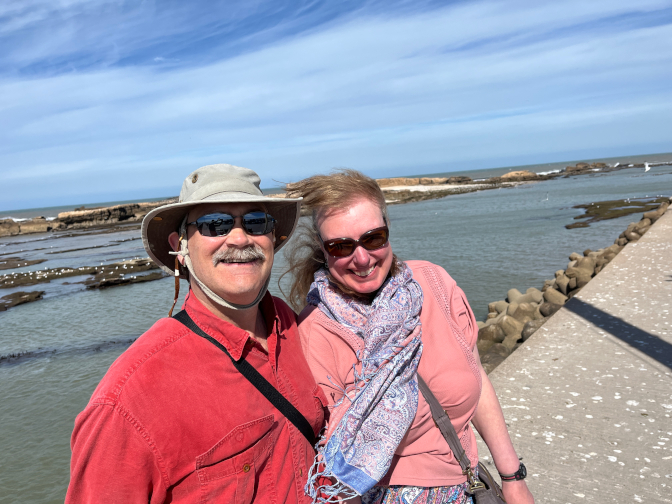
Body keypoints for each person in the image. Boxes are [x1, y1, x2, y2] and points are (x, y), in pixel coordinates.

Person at [66, 163, 327, 503]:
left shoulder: (292, 324)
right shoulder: (127, 402)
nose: (238, 238)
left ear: (271, 237)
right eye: (214, 224)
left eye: (255, 222)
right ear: (181, 247)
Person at [284, 170, 534, 504]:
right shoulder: (316, 331)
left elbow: (478, 379)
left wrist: (513, 478)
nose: (361, 258)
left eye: (373, 238)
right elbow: (335, 461)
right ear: (323, 249)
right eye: (341, 246)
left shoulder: (433, 283)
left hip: (468, 487)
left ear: (388, 230)